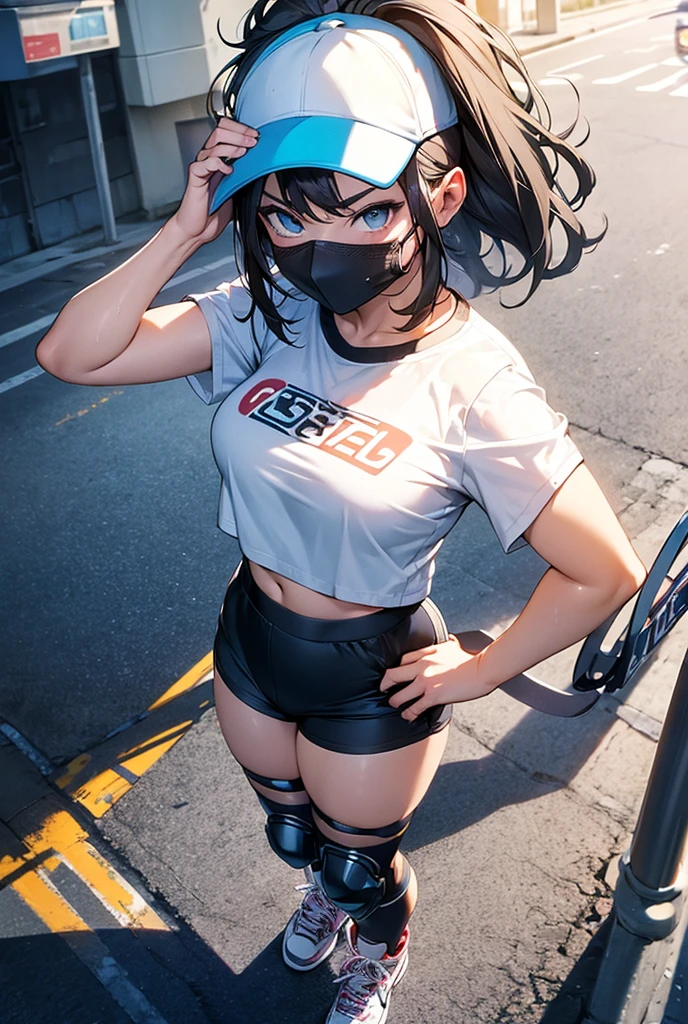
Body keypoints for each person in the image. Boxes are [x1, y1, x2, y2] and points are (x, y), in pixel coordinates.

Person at [36, 0, 647, 1020]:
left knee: (362, 869)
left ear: (440, 194)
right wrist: (185, 226)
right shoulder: (258, 315)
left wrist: (483, 667)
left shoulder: (473, 381)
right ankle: (324, 897)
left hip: (371, 672)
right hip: (250, 640)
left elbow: (603, 570)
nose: (322, 243)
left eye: (366, 211)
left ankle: (377, 945)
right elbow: (73, 354)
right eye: (287, 213)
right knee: (294, 840)